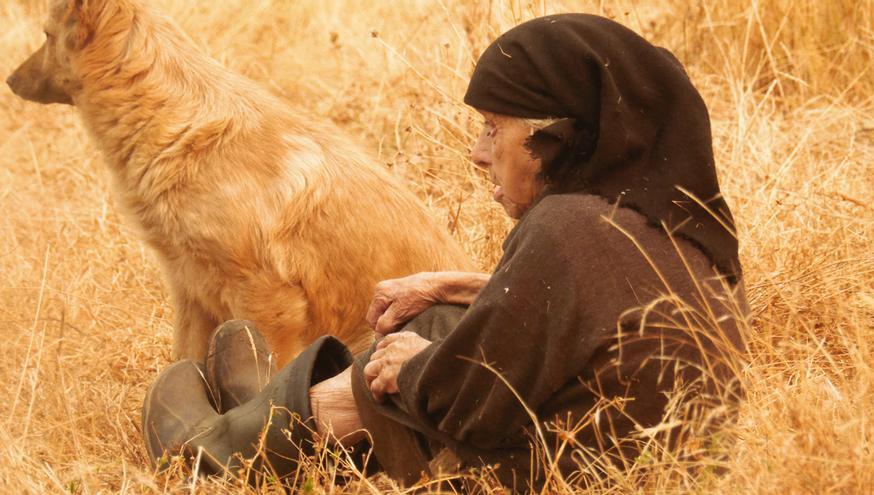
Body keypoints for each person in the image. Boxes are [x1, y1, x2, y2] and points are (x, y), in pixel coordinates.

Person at [141, 13, 748, 492]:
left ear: (555, 138)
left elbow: (475, 399)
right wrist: (456, 287)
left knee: (417, 342)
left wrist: (411, 367)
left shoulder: (568, 226)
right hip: (640, 462)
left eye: (493, 128)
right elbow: (584, 321)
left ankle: (214, 454)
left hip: (566, 474)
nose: (479, 153)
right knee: (441, 316)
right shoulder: (673, 223)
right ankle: (268, 413)